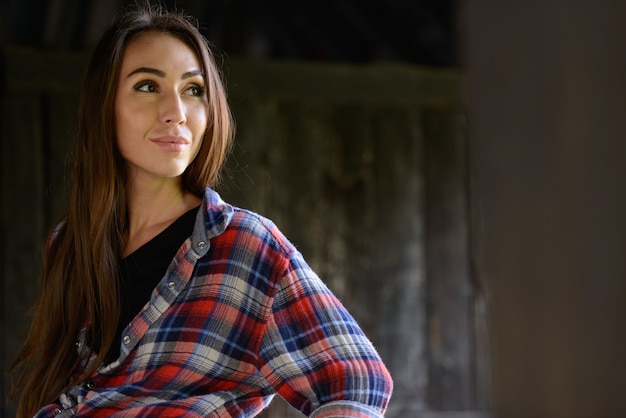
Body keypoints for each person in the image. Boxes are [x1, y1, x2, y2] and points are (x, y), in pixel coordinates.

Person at [10, 3, 393, 418]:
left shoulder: (246, 247)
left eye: (193, 90)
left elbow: (356, 383)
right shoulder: (70, 244)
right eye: (147, 86)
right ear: (104, 106)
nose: (176, 112)